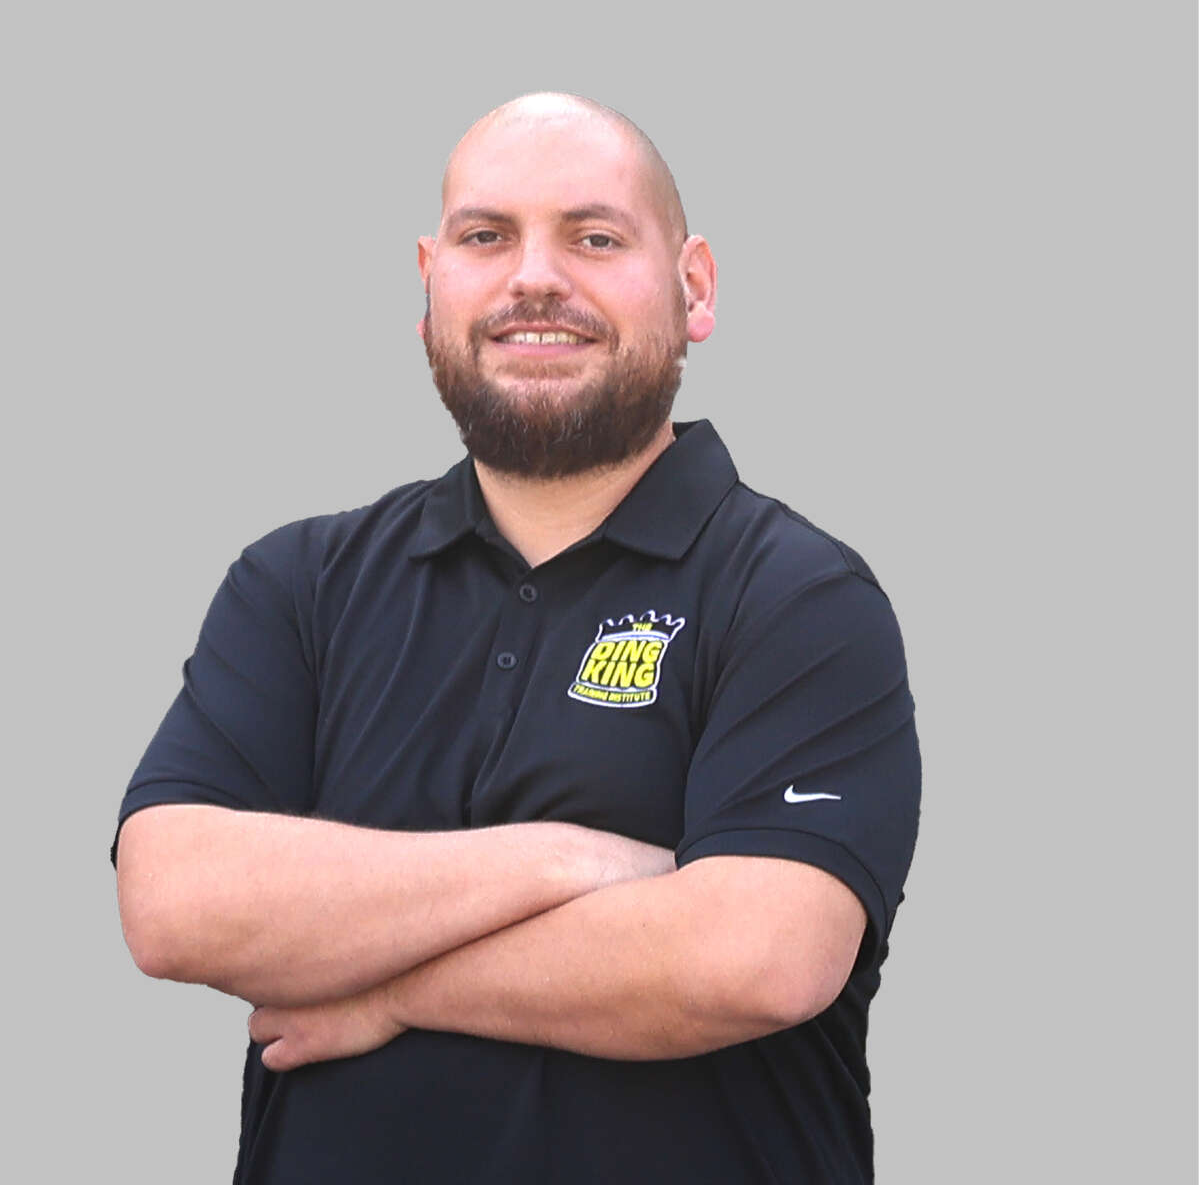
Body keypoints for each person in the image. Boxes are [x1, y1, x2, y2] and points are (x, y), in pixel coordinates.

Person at [114, 92, 921, 1184]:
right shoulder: (297, 584)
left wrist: (385, 984)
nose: (534, 278)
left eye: (594, 237)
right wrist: (571, 860)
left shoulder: (799, 597)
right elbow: (175, 903)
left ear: (695, 289)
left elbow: (756, 958)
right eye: (486, 237)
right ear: (430, 284)